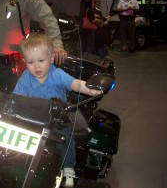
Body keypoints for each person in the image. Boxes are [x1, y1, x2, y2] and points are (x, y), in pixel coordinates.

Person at [13, 32, 102, 187]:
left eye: (41, 60)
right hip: (35, 119)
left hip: (58, 118)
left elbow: (75, 84)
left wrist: (91, 89)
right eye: (31, 62)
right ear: (24, 62)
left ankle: (68, 168)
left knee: (66, 138)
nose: (37, 66)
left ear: (52, 58)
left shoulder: (57, 74)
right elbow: (16, 98)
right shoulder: (24, 78)